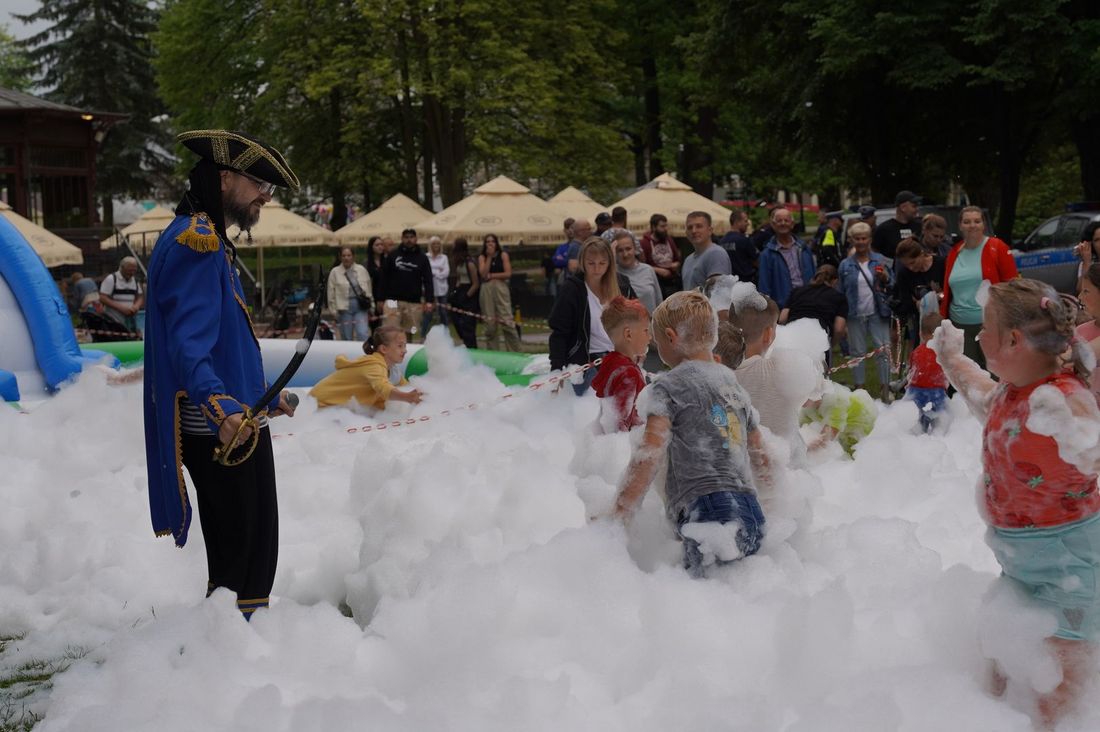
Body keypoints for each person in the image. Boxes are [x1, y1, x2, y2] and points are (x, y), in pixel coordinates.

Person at [143, 129, 298, 618]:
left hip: (237, 418)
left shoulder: (206, 237)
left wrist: (261, 396)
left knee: (251, 552)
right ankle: (226, 660)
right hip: (222, 429)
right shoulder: (197, 242)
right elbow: (188, 348)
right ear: (225, 177)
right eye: (259, 184)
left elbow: (224, 338)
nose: (266, 196)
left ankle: (234, 652)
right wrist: (220, 406)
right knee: (242, 559)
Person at [931, 279, 1100, 727]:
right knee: (999, 654)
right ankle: (986, 717)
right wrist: (950, 358)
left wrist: (1084, 440)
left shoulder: (1062, 400)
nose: (979, 337)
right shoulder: (1014, 392)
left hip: (1072, 562)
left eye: (985, 329)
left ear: (1013, 340)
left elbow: (1093, 445)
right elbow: (982, 397)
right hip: (1020, 559)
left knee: (1059, 690)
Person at [608, 291, 771, 578]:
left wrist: (619, 514)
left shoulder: (669, 386)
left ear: (671, 337)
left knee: (702, 605)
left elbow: (649, 454)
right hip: (752, 512)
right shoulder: (733, 387)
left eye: (658, 343)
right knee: (741, 597)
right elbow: (761, 458)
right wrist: (773, 502)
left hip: (708, 512)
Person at [731, 288, 823, 464]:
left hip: (744, 467)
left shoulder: (721, 372)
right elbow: (814, 401)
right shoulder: (785, 367)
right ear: (768, 334)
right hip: (788, 469)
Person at [549, 237, 636, 394]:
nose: (597, 269)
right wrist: (557, 369)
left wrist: (638, 349)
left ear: (610, 262)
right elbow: (559, 332)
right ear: (582, 262)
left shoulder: (622, 284)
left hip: (622, 358)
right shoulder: (572, 289)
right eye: (591, 263)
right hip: (586, 363)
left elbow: (637, 319)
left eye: (602, 263)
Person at [939, 205, 1019, 367]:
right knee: (968, 377)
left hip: (990, 324)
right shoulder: (954, 252)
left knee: (996, 373)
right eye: (967, 222)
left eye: (977, 221)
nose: (972, 225)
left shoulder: (997, 247)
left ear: (983, 224)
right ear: (960, 226)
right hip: (959, 326)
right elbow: (948, 289)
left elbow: (1013, 286)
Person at [838, 221, 894, 400]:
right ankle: (860, 391)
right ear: (851, 240)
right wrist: (842, 318)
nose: (861, 242)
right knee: (857, 353)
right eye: (857, 238)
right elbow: (841, 292)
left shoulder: (880, 260)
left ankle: (885, 390)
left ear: (869, 239)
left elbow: (892, 284)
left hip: (878, 312)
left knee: (883, 351)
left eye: (864, 238)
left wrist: (885, 278)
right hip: (854, 314)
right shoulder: (845, 265)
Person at [309, 326, 423, 411]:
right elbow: (383, 388)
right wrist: (407, 397)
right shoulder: (373, 365)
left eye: (405, 346)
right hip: (319, 404)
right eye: (400, 346)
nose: (405, 350)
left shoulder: (392, 370)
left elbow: (406, 387)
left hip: (333, 406)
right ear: (384, 349)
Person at [591, 296, 649, 433]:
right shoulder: (629, 374)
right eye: (646, 330)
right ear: (628, 334)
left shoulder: (611, 361)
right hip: (626, 445)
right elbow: (621, 423)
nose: (650, 337)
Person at [780, 264, 848, 366]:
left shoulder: (797, 291)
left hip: (792, 335)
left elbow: (782, 319)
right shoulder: (839, 297)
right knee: (819, 378)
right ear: (835, 281)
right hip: (818, 337)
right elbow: (839, 329)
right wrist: (831, 344)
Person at [757, 207, 815, 309]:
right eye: (779, 221)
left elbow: (814, 276)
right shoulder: (767, 254)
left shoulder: (804, 249)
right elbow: (764, 287)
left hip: (808, 301)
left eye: (786, 220)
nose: (783, 223)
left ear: (792, 224)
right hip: (783, 307)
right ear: (773, 225)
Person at [383, 228, 434, 342]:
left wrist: (429, 300)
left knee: (410, 332)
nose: (409, 240)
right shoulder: (393, 255)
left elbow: (428, 280)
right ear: (402, 239)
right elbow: (384, 277)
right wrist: (381, 299)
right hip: (393, 300)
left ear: (416, 239)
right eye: (406, 237)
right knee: (391, 332)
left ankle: (405, 355)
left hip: (414, 301)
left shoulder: (422, 258)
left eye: (411, 237)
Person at [893, 238, 946, 347]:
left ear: (921, 254)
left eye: (913, 262)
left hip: (946, 317)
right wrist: (917, 304)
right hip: (922, 322)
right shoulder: (904, 274)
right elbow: (905, 301)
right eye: (906, 265)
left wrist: (937, 297)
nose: (911, 268)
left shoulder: (941, 264)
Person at [903, 312, 948, 433]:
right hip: (937, 393)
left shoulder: (917, 351)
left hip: (915, 393)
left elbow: (911, 372)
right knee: (939, 426)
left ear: (921, 334)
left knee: (917, 426)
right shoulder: (944, 353)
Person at [477, 233, 522, 352]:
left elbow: (508, 273)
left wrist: (492, 275)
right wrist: (489, 257)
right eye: (487, 241)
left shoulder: (503, 255)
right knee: (490, 325)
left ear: (496, 243)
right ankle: (493, 351)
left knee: (507, 321)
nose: (490, 243)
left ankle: (514, 351)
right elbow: (483, 274)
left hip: (501, 288)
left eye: (492, 241)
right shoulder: (482, 257)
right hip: (487, 290)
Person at [327, 246, 372, 341]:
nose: (346, 258)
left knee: (362, 333)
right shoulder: (335, 272)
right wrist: (333, 311)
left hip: (360, 306)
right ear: (340, 257)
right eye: (344, 256)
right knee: (347, 336)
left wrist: (372, 306)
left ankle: (363, 353)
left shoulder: (361, 270)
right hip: (344, 308)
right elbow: (331, 292)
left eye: (349, 255)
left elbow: (368, 288)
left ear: (353, 256)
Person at [613, 231, 662, 314]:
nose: (625, 254)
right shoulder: (613, 274)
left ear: (635, 249)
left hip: (651, 324)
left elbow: (659, 301)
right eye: (620, 250)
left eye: (628, 249)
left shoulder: (648, 270)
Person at [681, 211, 731, 291]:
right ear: (686, 232)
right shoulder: (688, 260)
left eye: (699, 226)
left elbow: (718, 293)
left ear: (710, 230)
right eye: (690, 227)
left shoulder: (716, 253)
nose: (694, 231)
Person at [639, 213, 681, 298]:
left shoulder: (669, 240)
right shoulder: (644, 243)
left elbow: (677, 260)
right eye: (662, 226)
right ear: (654, 227)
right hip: (656, 283)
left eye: (666, 226)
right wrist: (658, 270)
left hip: (672, 283)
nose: (665, 229)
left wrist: (676, 264)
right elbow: (641, 265)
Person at [449, 237, 480, 349]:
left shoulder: (470, 263)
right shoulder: (459, 263)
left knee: (468, 324)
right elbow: (459, 278)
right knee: (457, 320)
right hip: (461, 289)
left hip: (469, 293)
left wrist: (466, 296)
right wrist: (455, 293)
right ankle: (465, 343)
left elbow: (476, 283)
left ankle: (472, 347)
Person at [100, 256, 145, 333]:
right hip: (113, 320)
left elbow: (140, 296)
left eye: (134, 271)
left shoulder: (135, 280)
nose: (132, 273)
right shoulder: (111, 279)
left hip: (130, 319)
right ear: (122, 268)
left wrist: (136, 306)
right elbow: (103, 297)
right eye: (129, 270)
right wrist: (121, 308)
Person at [873, 190, 922, 260]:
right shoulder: (884, 229)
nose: (917, 209)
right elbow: (874, 253)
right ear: (903, 207)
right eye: (914, 206)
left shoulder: (920, 226)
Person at [419, 236, 450, 336]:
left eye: (438, 244)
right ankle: (423, 335)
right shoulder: (425, 257)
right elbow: (424, 272)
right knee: (428, 314)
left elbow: (446, 272)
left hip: (442, 289)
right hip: (429, 290)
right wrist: (438, 270)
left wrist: (434, 273)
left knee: (443, 313)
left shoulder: (444, 257)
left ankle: (446, 334)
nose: (436, 246)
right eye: (434, 244)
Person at [719, 209, 757, 282]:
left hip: (728, 283)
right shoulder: (744, 240)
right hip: (745, 283)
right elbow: (757, 262)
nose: (748, 224)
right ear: (737, 222)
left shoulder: (721, 241)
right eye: (745, 221)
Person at [1072, 221, 1100, 294]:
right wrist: (1087, 262)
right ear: (1091, 244)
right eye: (1097, 240)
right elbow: (1081, 291)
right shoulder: (1087, 264)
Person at [365, 235, 387, 322]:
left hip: (387, 297)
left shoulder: (387, 261)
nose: (380, 247)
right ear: (371, 247)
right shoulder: (367, 263)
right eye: (377, 245)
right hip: (372, 296)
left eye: (381, 244)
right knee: (375, 324)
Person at [551, 218, 575, 289]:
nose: (570, 230)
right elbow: (555, 261)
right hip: (566, 283)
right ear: (564, 230)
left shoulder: (582, 245)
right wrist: (568, 262)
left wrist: (563, 260)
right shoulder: (562, 247)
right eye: (567, 228)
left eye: (572, 228)